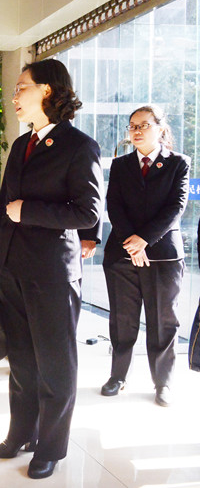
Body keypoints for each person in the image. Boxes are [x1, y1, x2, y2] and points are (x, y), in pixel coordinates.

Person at [0, 59, 103, 479]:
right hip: (14, 268)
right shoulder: (22, 144)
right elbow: (4, 207)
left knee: (55, 363)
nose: (15, 96)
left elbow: (88, 213)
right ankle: (22, 433)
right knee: (21, 360)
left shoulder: (79, 146)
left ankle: (51, 446)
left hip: (53, 272)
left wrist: (30, 211)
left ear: (48, 91)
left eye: (22, 87)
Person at [100, 105, 189, 407]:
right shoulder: (121, 165)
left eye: (144, 125)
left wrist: (144, 240)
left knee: (163, 322)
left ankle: (163, 382)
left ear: (160, 129)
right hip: (122, 255)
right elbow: (114, 205)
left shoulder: (178, 163)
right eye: (132, 126)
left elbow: (176, 207)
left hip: (163, 256)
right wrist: (132, 243)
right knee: (122, 320)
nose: (136, 131)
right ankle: (118, 376)